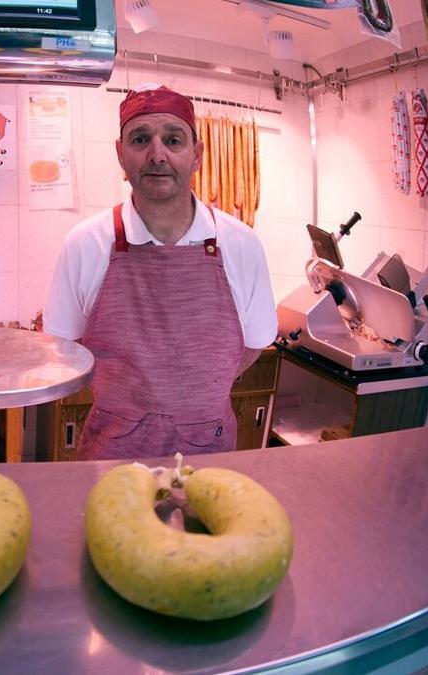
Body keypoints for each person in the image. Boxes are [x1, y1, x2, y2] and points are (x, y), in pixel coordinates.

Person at [44, 86, 276, 459]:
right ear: (121, 155)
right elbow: (62, 348)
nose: (157, 154)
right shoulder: (85, 243)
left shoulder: (243, 245)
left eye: (173, 139)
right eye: (140, 139)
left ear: (196, 155)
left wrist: (194, 399)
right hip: (111, 456)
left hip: (209, 452)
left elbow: (252, 346)